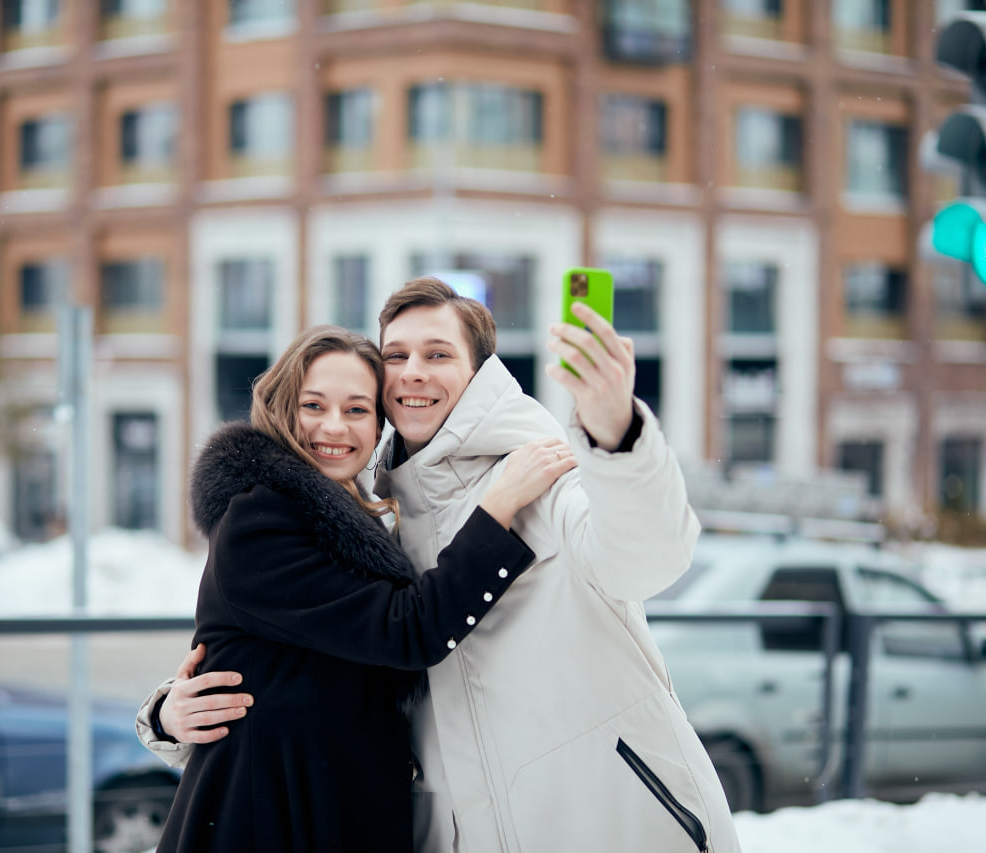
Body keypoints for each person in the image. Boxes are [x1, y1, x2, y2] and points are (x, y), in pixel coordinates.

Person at [143, 279, 742, 852]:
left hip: (607, 820)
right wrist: (168, 712)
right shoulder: (377, 526)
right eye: (396, 356)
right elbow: (364, 640)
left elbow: (647, 557)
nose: (412, 372)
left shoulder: (541, 474)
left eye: (437, 353)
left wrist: (616, 432)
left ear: (479, 372)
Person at [147, 325, 574, 853]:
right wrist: (499, 506)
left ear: (377, 427)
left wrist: (162, 714)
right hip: (268, 817)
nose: (335, 427)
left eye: (356, 410)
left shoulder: (349, 524)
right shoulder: (258, 521)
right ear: (282, 410)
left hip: (327, 804)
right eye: (313, 405)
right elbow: (407, 630)